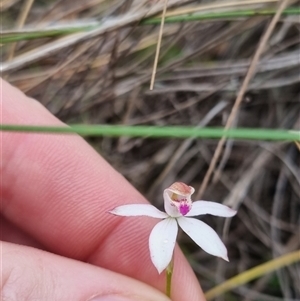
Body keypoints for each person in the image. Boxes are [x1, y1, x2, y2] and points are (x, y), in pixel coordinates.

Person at [1, 78, 205, 301]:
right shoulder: (158, 223)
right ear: (169, 198)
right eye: (176, 198)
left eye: (183, 198)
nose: (180, 200)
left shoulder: (191, 217)